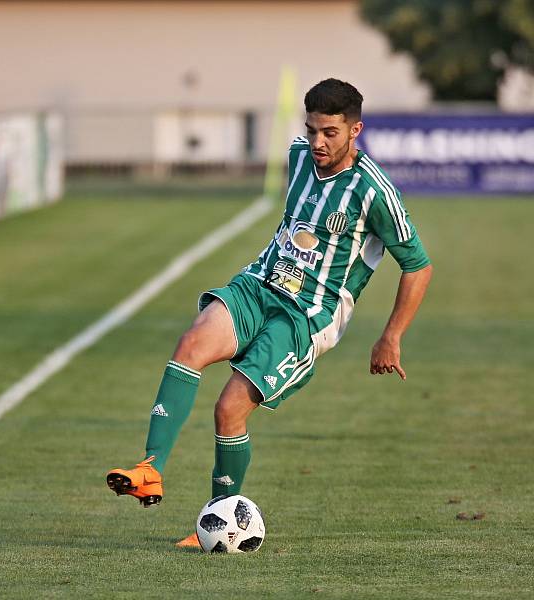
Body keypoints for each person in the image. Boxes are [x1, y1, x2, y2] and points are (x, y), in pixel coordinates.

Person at [106, 78, 433, 548]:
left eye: (331, 133)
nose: (318, 142)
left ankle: (213, 526)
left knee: (229, 409)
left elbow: (418, 266)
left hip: (306, 317)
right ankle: (150, 469)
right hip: (259, 284)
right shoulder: (299, 156)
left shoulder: (373, 191)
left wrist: (392, 335)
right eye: (312, 130)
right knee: (190, 345)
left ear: (356, 130)